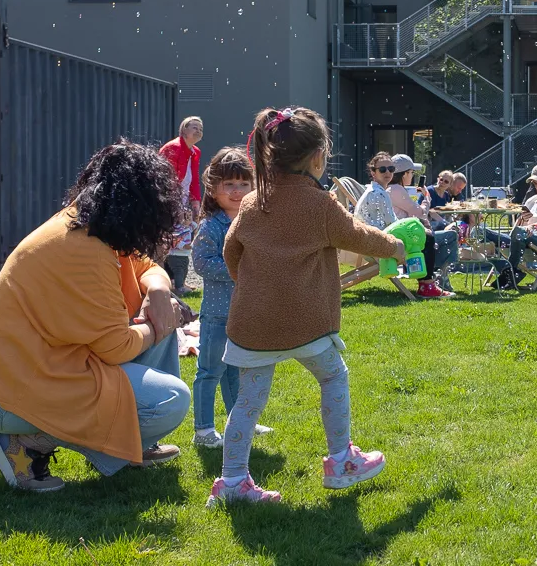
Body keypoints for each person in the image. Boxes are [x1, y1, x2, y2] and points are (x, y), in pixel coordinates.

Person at [0, 141, 193, 492]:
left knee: (160, 321)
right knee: (171, 401)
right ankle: (24, 445)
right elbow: (116, 348)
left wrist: (159, 292)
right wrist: (160, 322)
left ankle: (133, 443)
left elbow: (146, 266)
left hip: (28, 368)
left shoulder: (90, 225)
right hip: (2, 394)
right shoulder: (86, 250)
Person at [206, 107, 406, 506]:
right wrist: (395, 245)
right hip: (307, 322)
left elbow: (231, 251)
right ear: (317, 158)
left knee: (247, 402)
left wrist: (250, 285)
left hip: (253, 323)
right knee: (333, 377)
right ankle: (341, 460)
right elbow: (360, 236)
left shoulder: (252, 204)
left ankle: (231, 481)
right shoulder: (320, 205)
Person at [190, 147, 271, 448]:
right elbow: (202, 263)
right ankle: (203, 430)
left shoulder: (252, 222)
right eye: (229, 185)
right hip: (217, 314)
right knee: (210, 372)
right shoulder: (211, 226)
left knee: (235, 371)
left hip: (243, 313)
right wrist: (241, 268)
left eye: (243, 184)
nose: (237, 191)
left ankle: (239, 422)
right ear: (214, 189)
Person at [354, 152, 457, 298]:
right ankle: (427, 285)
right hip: (378, 244)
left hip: (371, 240)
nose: (387, 173)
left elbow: (392, 221)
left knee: (425, 234)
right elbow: (395, 222)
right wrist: (419, 222)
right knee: (427, 238)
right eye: (382, 169)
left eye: (391, 169)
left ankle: (430, 282)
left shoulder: (380, 190)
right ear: (373, 172)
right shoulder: (380, 193)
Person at [484, 163, 537, 288]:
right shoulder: (532, 200)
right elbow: (517, 229)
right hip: (520, 240)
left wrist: (532, 227)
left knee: (520, 231)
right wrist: (522, 220)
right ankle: (509, 271)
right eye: (534, 183)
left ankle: (510, 273)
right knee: (478, 231)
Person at [159, 116, 204, 292]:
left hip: (181, 201)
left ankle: (179, 281)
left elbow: (194, 179)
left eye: (201, 128)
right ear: (183, 130)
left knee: (182, 238)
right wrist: (175, 205)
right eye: (194, 127)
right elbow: (166, 179)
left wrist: (196, 203)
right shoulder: (173, 148)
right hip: (167, 201)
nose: (199, 130)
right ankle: (171, 281)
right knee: (168, 241)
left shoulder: (195, 151)